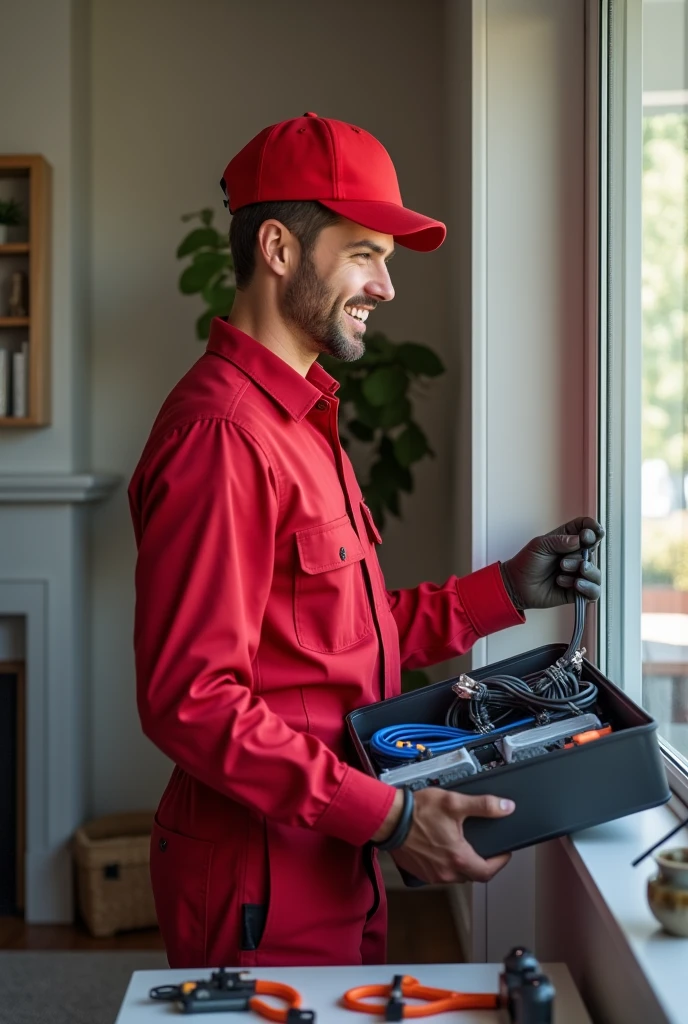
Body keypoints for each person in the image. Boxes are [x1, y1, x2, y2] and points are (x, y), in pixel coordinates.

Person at [127, 113, 603, 970]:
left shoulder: (303, 420)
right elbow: (190, 699)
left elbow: (339, 634)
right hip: (260, 873)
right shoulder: (224, 436)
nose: (386, 286)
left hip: (332, 846)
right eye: (365, 254)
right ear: (278, 249)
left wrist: (506, 590)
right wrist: (389, 817)